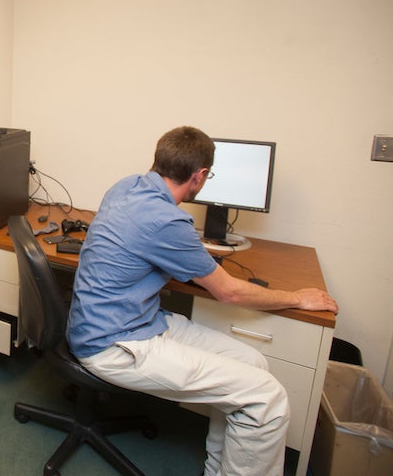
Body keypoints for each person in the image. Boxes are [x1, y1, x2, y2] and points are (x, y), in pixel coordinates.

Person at [67, 126, 338, 476]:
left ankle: (219, 469)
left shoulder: (127, 186)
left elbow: (142, 247)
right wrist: (298, 299)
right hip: (114, 344)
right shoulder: (168, 221)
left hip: (132, 321)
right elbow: (230, 291)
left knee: (254, 364)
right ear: (199, 176)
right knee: (265, 397)